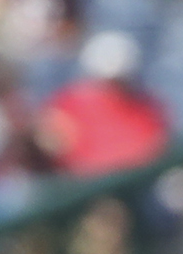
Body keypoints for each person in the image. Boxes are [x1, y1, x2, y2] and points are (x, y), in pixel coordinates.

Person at [36, 30, 170, 175]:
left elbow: (156, 145)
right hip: (93, 184)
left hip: (142, 177)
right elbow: (53, 146)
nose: (113, 85)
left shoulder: (145, 102)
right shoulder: (68, 105)